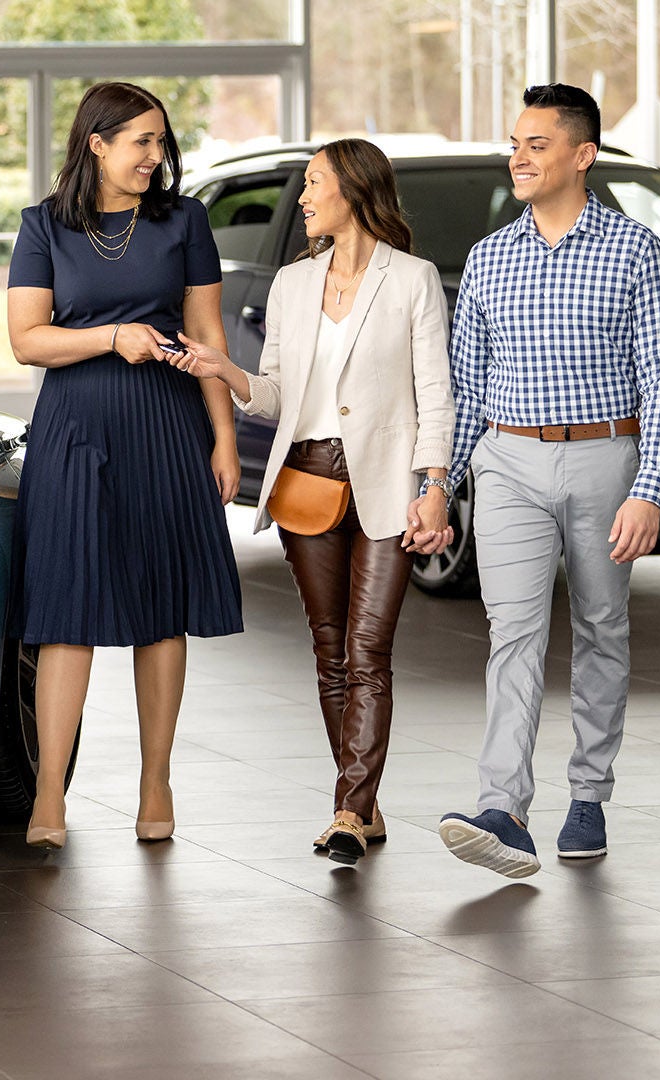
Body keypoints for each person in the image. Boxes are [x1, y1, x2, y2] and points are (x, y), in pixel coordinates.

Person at [168, 139, 456, 865]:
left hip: (387, 483)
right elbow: (275, 396)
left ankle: (349, 809)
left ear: (352, 190)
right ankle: (360, 806)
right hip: (308, 479)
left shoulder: (412, 279)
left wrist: (435, 486)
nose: (301, 197)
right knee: (331, 652)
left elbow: (435, 394)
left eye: (313, 183)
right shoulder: (293, 285)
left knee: (368, 650)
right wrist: (225, 370)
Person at [435, 84, 660, 878]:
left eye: (536, 144)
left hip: (606, 458)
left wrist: (649, 488)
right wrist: (438, 484)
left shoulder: (634, 249)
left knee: (602, 629)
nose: (518, 157)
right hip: (507, 462)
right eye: (515, 144)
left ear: (584, 155)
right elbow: (468, 386)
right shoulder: (489, 257)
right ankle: (503, 810)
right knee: (512, 634)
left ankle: (588, 796)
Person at [6, 81, 243, 850]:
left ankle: (155, 781)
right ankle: (49, 793)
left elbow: (207, 335)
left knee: (160, 607)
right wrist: (113, 337)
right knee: (64, 608)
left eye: (161, 141)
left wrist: (223, 436)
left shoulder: (184, 219)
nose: (155, 155)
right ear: (97, 143)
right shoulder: (43, 225)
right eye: (141, 140)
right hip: (74, 425)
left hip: (167, 423)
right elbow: (27, 339)